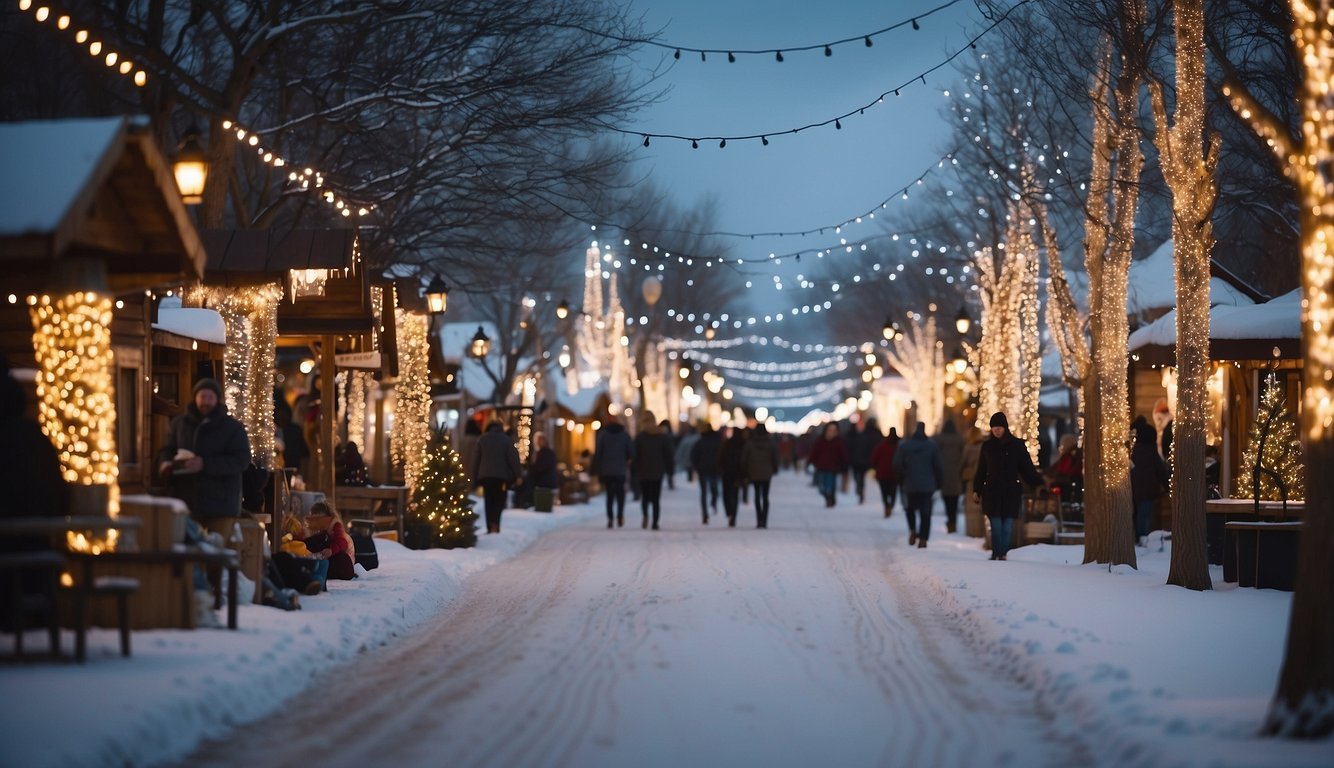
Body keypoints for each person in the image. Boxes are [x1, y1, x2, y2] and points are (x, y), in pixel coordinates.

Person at [157, 378, 252, 536]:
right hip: (187, 502)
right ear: (195, 398)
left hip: (221, 505)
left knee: (217, 550)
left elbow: (241, 460)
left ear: (217, 399)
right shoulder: (181, 424)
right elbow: (168, 449)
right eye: (202, 396)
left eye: (210, 397)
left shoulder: (232, 428)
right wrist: (166, 464)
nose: (205, 402)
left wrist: (205, 464)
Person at [973, 412, 1044, 561]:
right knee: (996, 526)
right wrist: (976, 490)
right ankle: (996, 553)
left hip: (1011, 492)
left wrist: (1039, 483)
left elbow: (1026, 469)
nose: (996, 430)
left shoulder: (1017, 445)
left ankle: (1003, 554)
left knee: (1007, 527)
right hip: (992, 492)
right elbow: (981, 470)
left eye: (999, 427)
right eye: (994, 427)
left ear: (1005, 427)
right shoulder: (987, 446)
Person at [894, 422, 943, 548]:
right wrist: (939, 482)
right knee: (925, 511)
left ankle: (913, 530)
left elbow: (897, 464)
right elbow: (938, 466)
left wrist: (902, 477)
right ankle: (923, 538)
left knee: (910, 509)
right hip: (927, 484)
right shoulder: (932, 446)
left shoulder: (905, 446)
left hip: (910, 483)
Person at [469, 419, 521, 534]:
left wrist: (473, 479)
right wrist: (518, 475)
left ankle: (489, 526)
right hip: (501, 477)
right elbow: (513, 459)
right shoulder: (506, 440)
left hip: (486, 477)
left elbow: (475, 460)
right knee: (499, 500)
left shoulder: (482, 439)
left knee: (489, 500)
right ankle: (495, 524)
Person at [1130, 419, 1170, 547]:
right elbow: (1160, 469)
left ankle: (1137, 536)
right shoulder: (1152, 451)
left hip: (1135, 488)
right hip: (1149, 488)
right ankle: (1143, 537)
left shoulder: (1135, 450)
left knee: (1137, 513)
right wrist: (1167, 486)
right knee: (1145, 513)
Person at [633, 412, 674, 530]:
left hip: (643, 471)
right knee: (656, 498)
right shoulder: (662, 436)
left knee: (645, 497)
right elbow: (668, 454)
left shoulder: (640, 437)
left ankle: (645, 515)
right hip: (658, 471)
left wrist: (635, 470)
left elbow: (635, 455)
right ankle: (655, 522)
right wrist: (669, 469)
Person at [592, 416, 633, 528]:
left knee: (609, 495)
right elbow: (630, 451)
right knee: (620, 495)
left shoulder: (603, 435)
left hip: (607, 470)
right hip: (620, 469)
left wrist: (596, 467)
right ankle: (620, 515)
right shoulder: (624, 435)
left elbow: (598, 452)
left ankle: (610, 518)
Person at [304, 501, 356, 580]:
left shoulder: (336, 526)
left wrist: (331, 550)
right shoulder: (323, 529)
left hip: (343, 562)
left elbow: (342, 543)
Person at [741, 423, 780, 528]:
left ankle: (759, 519)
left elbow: (744, 459)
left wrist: (745, 471)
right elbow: (775, 457)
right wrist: (775, 469)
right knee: (765, 496)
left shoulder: (750, 443)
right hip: (767, 473)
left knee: (757, 495)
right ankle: (764, 520)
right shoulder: (770, 443)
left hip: (754, 472)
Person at [933, 419, 965, 533]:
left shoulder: (939, 440)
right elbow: (963, 456)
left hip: (944, 474)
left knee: (947, 500)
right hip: (956, 474)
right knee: (954, 501)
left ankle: (950, 522)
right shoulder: (959, 440)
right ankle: (953, 521)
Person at [808, 422, 849, 507]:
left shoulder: (838, 441)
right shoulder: (820, 440)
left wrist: (844, 463)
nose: (832, 432)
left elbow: (843, 454)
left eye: (834, 430)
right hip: (821, 466)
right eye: (830, 430)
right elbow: (814, 452)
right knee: (821, 488)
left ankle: (830, 499)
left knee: (830, 485)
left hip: (833, 467)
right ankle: (828, 497)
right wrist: (810, 461)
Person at [845, 417, 882, 504]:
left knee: (858, 476)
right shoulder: (876, 434)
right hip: (866, 460)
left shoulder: (863, 434)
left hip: (858, 460)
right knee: (862, 477)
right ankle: (861, 489)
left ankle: (860, 488)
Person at [691, 424, 722, 524]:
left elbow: (693, 456)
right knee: (714, 489)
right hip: (715, 469)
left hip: (703, 470)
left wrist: (697, 467)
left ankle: (705, 514)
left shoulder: (700, 442)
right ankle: (713, 503)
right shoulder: (718, 441)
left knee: (704, 493)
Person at [717, 425, 747, 527]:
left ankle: (729, 512)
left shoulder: (727, 443)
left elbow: (721, 456)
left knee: (726, 493)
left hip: (727, 472)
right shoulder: (743, 444)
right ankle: (733, 514)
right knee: (735, 494)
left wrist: (720, 468)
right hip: (738, 473)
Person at [870, 427, 900, 518]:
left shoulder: (881, 446)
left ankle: (886, 506)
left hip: (882, 473)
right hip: (894, 473)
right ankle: (890, 506)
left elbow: (874, 458)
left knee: (884, 492)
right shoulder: (899, 446)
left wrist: (874, 467)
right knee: (893, 491)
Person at [1045, 434, 1083, 502]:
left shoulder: (1070, 456)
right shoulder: (1067, 455)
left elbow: (1066, 471)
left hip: (1068, 484)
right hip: (1066, 481)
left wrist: (1053, 479)